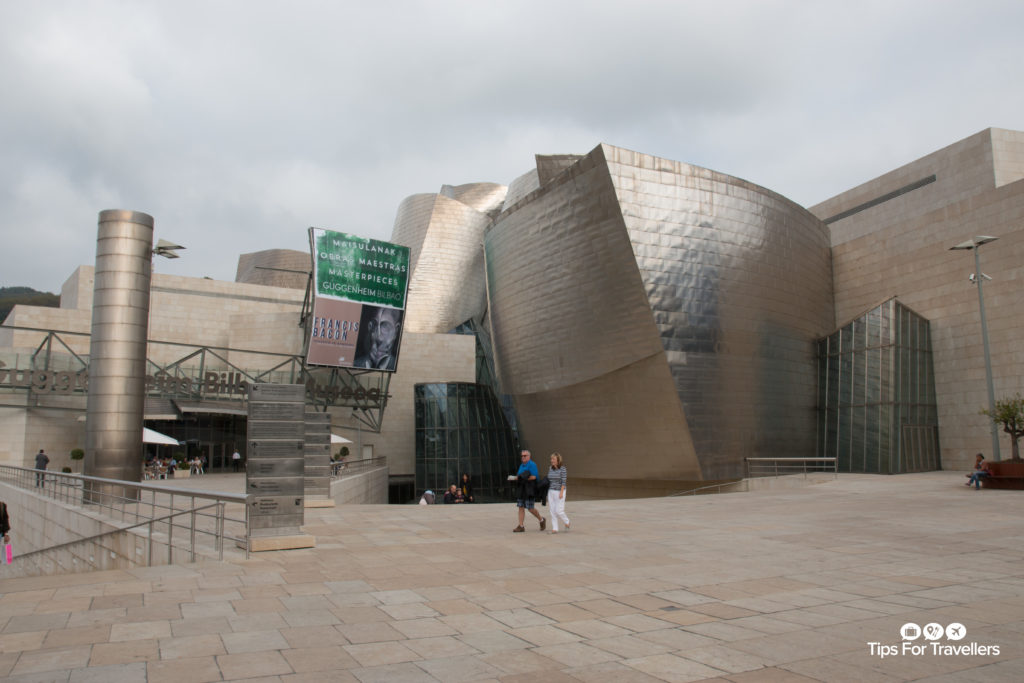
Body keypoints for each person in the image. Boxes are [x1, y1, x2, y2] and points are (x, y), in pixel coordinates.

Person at [353, 306, 403, 371]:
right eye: (374, 324)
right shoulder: (355, 364)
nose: (379, 338)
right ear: (370, 327)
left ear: (396, 331)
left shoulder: (398, 367)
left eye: (385, 326)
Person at [512, 450, 545, 532]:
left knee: (530, 508)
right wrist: (516, 478)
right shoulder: (521, 465)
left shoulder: (532, 464)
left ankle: (541, 519)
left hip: (529, 489)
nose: (523, 457)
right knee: (520, 507)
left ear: (529, 456)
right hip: (521, 489)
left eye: (525, 455)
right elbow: (519, 475)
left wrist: (524, 478)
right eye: (522, 456)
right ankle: (521, 526)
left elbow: (534, 477)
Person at [546, 452, 571, 533]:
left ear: (558, 460)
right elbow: (549, 480)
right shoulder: (550, 468)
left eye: (553, 459)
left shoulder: (563, 469)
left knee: (559, 510)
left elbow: (564, 482)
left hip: (560, 491)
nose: (551, 460)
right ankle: (555, 528)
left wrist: (561, 492)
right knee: (552, 510)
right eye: (551, 459)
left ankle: (567, 522)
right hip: (551, 491)